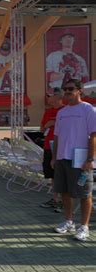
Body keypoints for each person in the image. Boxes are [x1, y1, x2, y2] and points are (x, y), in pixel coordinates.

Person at [52, 79, 95, 242]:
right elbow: (56, 137)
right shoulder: (61, 112)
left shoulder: (88, 110)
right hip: (63, 158)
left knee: (85, 194)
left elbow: (94, 136)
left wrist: (90, 158)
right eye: (65, 89)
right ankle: (68, 221)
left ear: (79, 91)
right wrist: (55, 157)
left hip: (81, 160)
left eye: (71, 89)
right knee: (64, 192)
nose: (67, 92)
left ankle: (84, 226)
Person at [39, 89, 64, 212]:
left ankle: (62, 201)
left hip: (62, 147)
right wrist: (47, 125)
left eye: (50, 95)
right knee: (52, 175)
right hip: (49, 147)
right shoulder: (48, 111)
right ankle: (55, 199)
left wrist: (55, 122)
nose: (47, 98)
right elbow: (42, 130)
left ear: (58, 97)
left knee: (62, 175)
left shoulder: (65, 110)